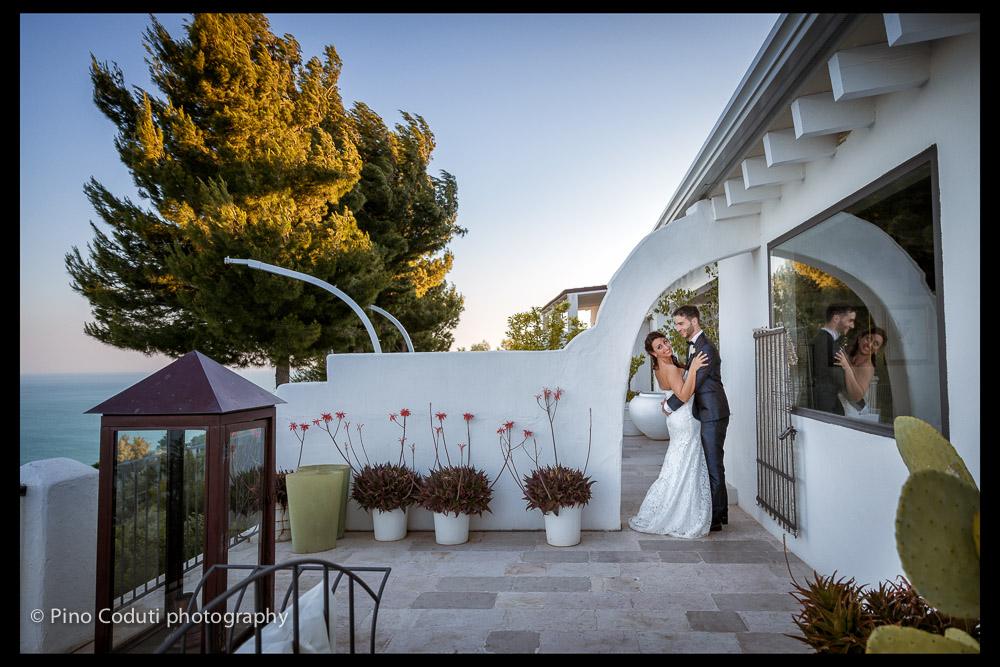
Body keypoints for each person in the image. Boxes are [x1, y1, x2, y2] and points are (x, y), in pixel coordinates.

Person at [629, 331, 712, 538]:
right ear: (652, 353)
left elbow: (675, 384)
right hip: (684, 420)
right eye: (659, 347)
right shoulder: (668, 367)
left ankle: (672, 504)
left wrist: (688, 367)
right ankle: (680, 512)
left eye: (665, 342)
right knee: (685, 465)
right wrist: (692, 369)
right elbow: (683, 395)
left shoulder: (661, 367)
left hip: (676, 420)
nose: (666, 347)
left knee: (678, 464)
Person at [663, 305, 731, 531]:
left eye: (681, 323)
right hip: (704, 412)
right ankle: (719, 514)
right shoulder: (695, 346)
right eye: (676, 324)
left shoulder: (706, 349)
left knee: (713, 465)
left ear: (694, 321)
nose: (678, 328)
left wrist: (669, 405)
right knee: (709, 464)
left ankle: (715, 519)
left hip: (713, 414)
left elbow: (693, 386)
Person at [807, 302, 857, 415]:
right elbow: (841, 380)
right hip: (826, 407)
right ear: (836, 318)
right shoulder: (828, 344)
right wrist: (861, 406)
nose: (852, 326)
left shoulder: (819, 340)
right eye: (850, 320)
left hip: (823, 403)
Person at [834, 326, 888, 418]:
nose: (870, 344)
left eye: (875, 343)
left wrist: (846, 367)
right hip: (838, 409)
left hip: (851, 413)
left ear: (877, 350)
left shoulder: (867, 367)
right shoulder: (851, 358)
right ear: (860, 339)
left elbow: (856, 397)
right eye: (868, 338)